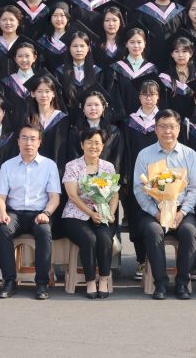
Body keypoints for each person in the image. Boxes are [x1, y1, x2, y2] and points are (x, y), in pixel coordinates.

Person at [132, 110, 196, 300]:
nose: (167, 131)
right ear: (155, 129)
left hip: (181, 211)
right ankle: (160, 283)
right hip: (154, 211)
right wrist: (156, 213)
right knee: (153, 231)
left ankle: (182, 283)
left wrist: (182, 212)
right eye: (162, 126)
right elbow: (139, 189)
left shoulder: (190, 155)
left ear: (179, 129)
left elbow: (195, 188)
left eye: (171, 126)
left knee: (189, 232)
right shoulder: (144, 155)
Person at [0, 124, 62, 299]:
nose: (28, 143)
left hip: (39, 213)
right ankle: (9, 281)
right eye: (24, 138)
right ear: (18, 141)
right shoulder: (8, 166)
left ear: (39, 142)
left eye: (33, 139)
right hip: (14, 213)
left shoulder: (49, 165)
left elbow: (54, 198)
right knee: (2, 230)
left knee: (44, 231)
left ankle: (41, 283)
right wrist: (2, 213)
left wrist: (46, 214)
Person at [62, 127, 120, 299]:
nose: (93, 146)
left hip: (102, 212)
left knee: (104, 238)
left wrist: (111, 213)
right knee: (90, 239)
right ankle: (89, 281)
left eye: (97, 143)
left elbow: (114, 194)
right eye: (89, 142)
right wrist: (91, 213)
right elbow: (73, 195)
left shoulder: (108, 167)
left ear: (102, 146)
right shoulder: (72, 166)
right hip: (76, 214)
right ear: (82, 145)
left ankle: (103, 279)